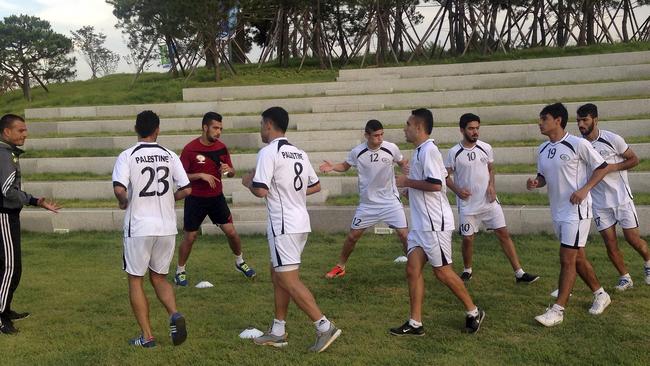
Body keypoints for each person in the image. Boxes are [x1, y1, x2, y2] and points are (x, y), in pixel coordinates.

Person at [242, 106, 341, 353]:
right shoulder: (299, 153)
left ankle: (323, 326)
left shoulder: (268, 152)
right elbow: (315, 186)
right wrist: (290, 193)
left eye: (262, 124)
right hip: (300, 222)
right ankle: (278, 330)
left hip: (283, 224)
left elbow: (261, 190)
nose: (261, 129)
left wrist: (247, 183)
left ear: (269, 124)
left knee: (288, 279)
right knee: (278, 275)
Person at [390, 108, 485, 336]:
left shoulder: (429, 151)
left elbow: (435, 184)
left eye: (408, 124)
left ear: (419, 127)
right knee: (412, 270)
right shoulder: (420, 152)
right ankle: (415, 323)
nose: (405, 128)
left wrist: (407, 182)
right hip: (422, 225)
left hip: (435, 224)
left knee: (442, 272)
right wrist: (408, 191)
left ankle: (474, 311)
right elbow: (433, 182)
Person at [527, 103, 611, 327]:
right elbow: (543, 175)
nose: (540, 123)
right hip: (558, 212)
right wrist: (536, 182)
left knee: (567, 259)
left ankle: (558, 311)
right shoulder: (543, 149)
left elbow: (602, 167)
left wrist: (585, 190)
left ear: (557, 120)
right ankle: (601, 294)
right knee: (577, 257)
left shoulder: (578, 144)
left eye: (544, 118)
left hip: (577, 212)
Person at [112, 110, 191, 347]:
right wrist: (169, 199)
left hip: (139, 226)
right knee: (159, 277)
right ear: (157, 130)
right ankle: (174, 314)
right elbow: (186, 189)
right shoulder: (169, 155)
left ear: (135, 129)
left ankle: (147, 336)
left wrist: (125, 201)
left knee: (136, 280)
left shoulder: (128, 155)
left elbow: (119, 189)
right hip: (166, 226)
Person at [445, 113, 539, 283]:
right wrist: (458, 191)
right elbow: (445, 176)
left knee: (503, 234)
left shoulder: (485, 147)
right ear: (462, 130)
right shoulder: (454, 152)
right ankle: (467, 270)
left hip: (489, 202)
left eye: (477, 128)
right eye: (471, 128)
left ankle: (519, 273)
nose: (475, 132)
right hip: (467, 206)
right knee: (468, 238)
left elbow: (490, 169)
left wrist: (491, 186)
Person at [174, 111, 256, 286]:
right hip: (195, 199)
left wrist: (228, 170)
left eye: (221, 128)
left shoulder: (221, 147)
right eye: (215, 128)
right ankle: (180, 271)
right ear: (205, 127)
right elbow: (180, 176)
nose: (218, 132)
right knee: (190, 237)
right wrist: (200, 175)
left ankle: (239, 262)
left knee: (232, 232)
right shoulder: (190, 149)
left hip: (216, 198)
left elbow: (231, 172)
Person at [320, 119, 409, 278]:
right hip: (367, 205)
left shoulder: (391, 148)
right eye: (376, 135)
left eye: (382, 134)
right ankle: (340, 266)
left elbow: (402, 163)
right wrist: (334, 167)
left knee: (404, 235)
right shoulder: (357, 152)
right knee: (352, 237)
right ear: (366, 135)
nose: (380, 138)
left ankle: (413, 264)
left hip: (390, 202)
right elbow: (345, 166)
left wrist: (405, 170)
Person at [577, 103, 650, 290]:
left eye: (584, 120)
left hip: (622, 199)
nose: (581, 125)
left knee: (633, 239)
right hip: (600, 203)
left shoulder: (612, 139)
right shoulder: (580, 145)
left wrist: (612, 167)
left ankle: (648, 262)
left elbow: (634, 159)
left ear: (595, 119)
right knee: (610, 243)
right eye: (578, 121)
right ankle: (625, 277)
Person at [0, 114, 60, 335]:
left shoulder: (8, 153)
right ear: (7, 132)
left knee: (10, 268)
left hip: (9, 215)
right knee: (10, 268)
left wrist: (36, 201)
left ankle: (5, 309)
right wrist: (35, 200)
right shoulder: (4, 155)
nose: (25, 134)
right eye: (21, 130)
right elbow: (7, 190)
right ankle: (0, 316)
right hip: (4, 216)